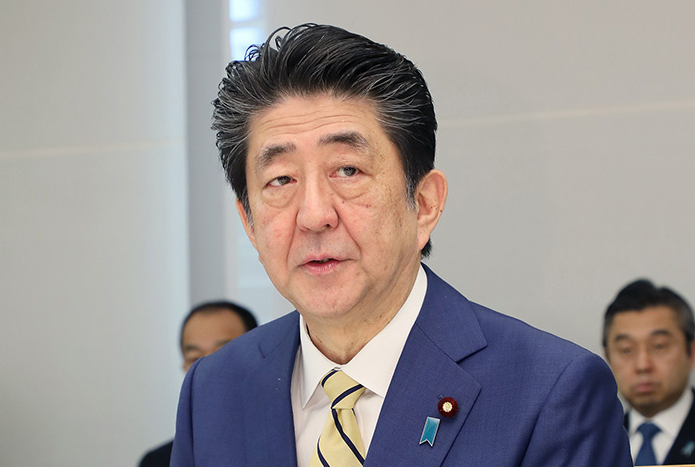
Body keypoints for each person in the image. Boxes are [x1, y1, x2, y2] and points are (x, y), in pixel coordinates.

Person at [171, 23, 631, 466]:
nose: (313, 215)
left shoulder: (551, 393)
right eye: (281, 179)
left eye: (347, 170)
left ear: (425, 204)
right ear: (249, 223)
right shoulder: (213, 391)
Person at [139, 300, 257, 467]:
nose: (207, 369)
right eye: (195, 358)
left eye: (223, 353)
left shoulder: (286, 444)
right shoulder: (159, 461)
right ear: (184, 367)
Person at [603, 279, 695, 465]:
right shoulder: (598, 442)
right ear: (607, 358)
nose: (642, 365)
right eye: (626, 349)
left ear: (691, 352)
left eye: (659, 346)